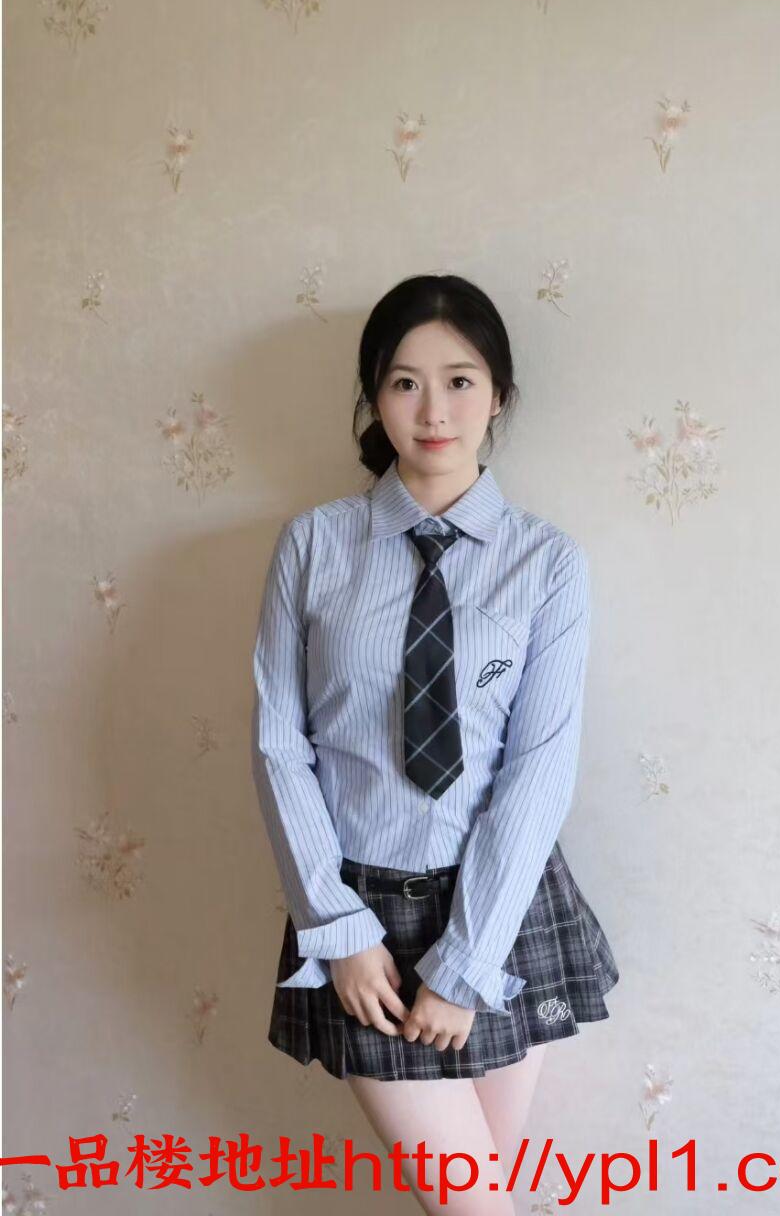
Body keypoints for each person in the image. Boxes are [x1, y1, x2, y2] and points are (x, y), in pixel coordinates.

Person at [251, 273, 619, 1213]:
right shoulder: (313, 547)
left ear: (499, 395)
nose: (433, 410)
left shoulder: (547, 562)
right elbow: (279, 747)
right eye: (404, 382)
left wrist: (467, 963)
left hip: (503, 909)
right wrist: (335, 928)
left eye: (460, 381)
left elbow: (539, 770)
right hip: (360, 916)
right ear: (374, 397)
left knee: (479, 1201)